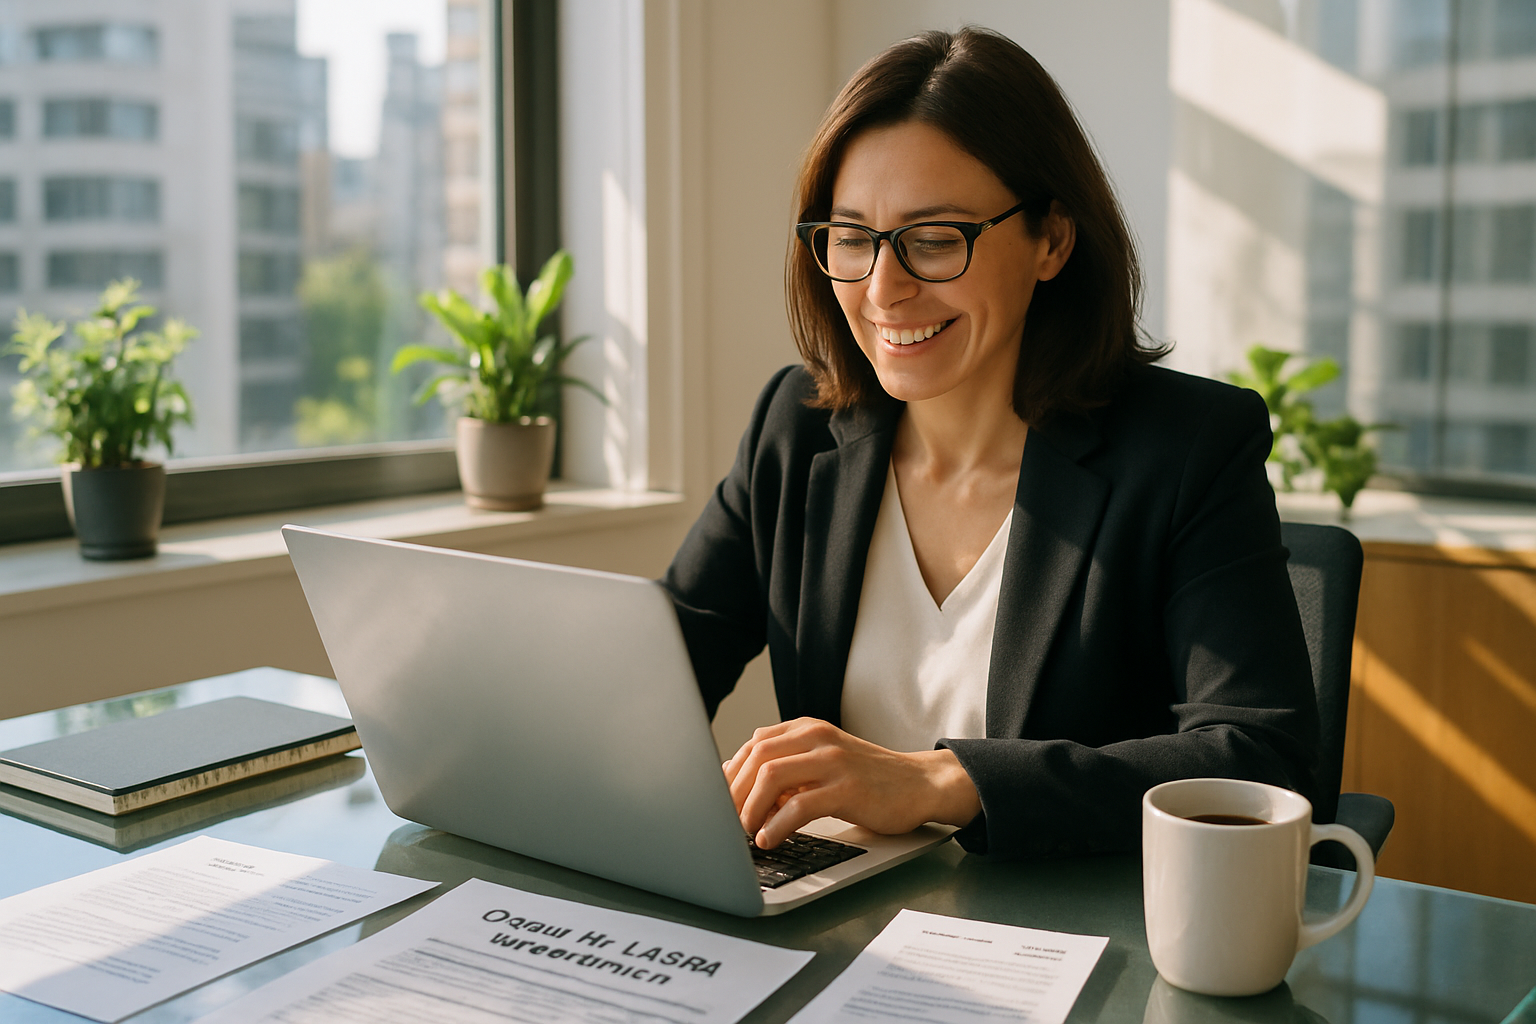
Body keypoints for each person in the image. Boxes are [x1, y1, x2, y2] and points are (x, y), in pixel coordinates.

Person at [661, 27, 1318, 860]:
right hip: (840, 922)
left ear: (1052, 239)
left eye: (934, 239)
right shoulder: (795, 427)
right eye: (853, 238)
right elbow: (660, 661)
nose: (884, 290)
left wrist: (945, 782)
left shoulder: (1187, 450)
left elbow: (1262, 760)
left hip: (1079, 947)